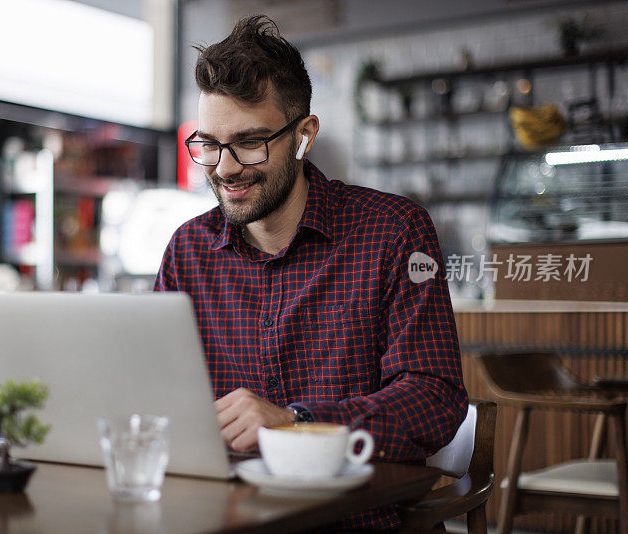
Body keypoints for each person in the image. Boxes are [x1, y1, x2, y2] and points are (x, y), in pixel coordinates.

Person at [155, 15, 467, 532]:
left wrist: (298, 423)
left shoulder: (393, 231)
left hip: (352, 518)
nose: (225, 168)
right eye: (208, 144)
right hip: (218, 516)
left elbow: (433, 397)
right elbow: (151, 392)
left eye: (250, 142)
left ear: (304, 135)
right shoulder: (187, 251)